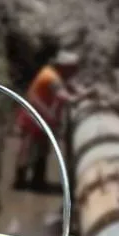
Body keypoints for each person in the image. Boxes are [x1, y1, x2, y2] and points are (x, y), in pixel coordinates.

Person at [16, 50, 86, 191]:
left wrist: (86, 93)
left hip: (41, 118)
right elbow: (66, 97)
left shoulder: (58, 75)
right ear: (65, 67)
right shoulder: (51, 77)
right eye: (73, 68)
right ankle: (21, 182)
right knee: (28, 149)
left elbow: (75, 89)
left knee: (41, 149)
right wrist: (85, 96)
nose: (75, 71)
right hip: (33, 118)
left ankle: (37, 181)